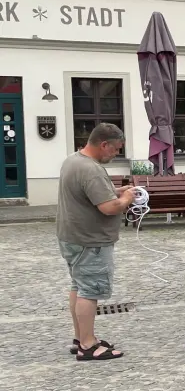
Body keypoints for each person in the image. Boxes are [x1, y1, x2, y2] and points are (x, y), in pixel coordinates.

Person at [58, 123, 134, 361]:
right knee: (89, 291)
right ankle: (88, 346)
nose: (116, 154)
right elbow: (108, 207)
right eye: (115, 149)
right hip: (90, 241)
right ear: (104, 145)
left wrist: (118, 190)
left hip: (72, 236)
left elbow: (91, 194)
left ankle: (80, 337)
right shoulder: (91, 169)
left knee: (78, 286)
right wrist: (127, 199)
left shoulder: (73, 160)